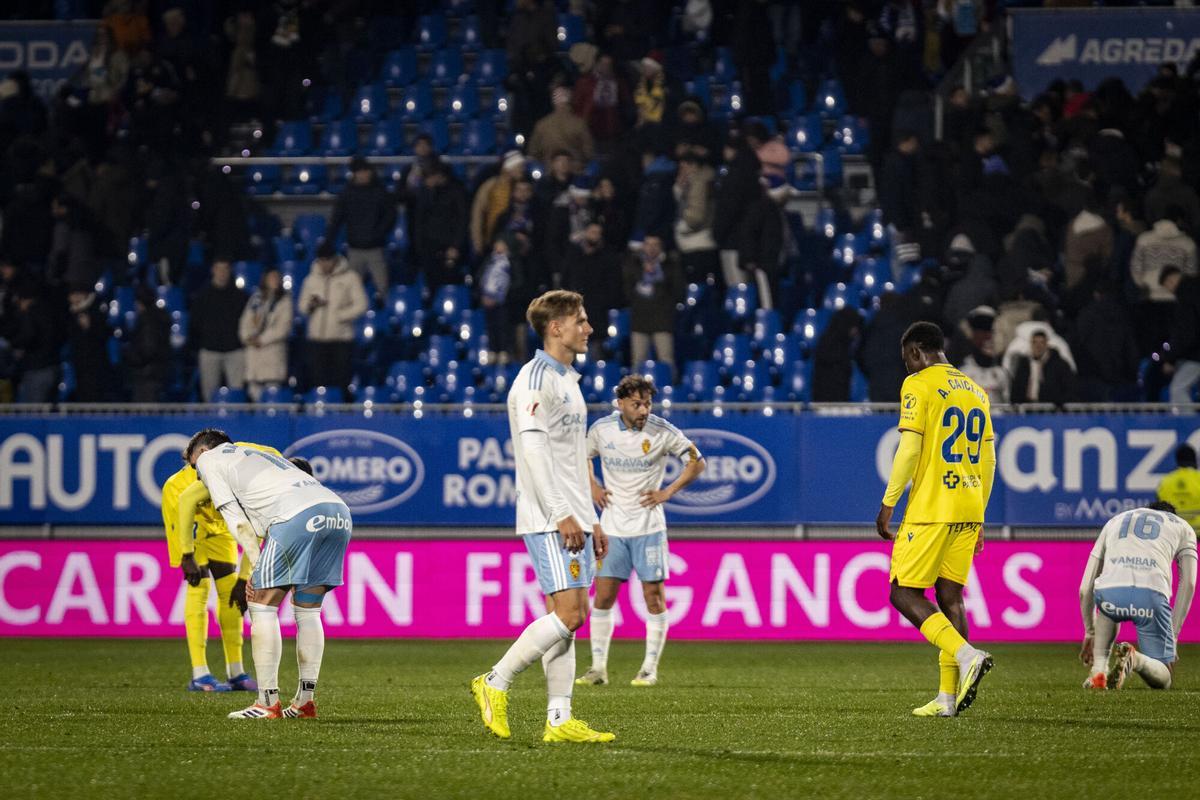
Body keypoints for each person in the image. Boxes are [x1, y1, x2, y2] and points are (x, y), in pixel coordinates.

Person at [470, 290, 614, 744]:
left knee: (569, 615)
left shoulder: (567, 378)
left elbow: (571, 460)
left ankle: (559, 719)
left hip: (571, 515)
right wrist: (561, 514)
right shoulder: (533, 381)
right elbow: (532, 451)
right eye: (582, 320)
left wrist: (590, 518)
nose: (588, 328)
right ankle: (494, 681)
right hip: (548, 516)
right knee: (570, 615)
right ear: (556, 327)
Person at [183, 429, 353, 720]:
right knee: (308, 612)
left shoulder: (210, 461)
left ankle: (266, 703)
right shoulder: (258, 456)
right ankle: (304, 703)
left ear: (201, 452)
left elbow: (237, 522)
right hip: (337, 512)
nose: (197, 475)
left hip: (296, 515)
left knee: (261, 606)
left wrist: (256, 566)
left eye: (192, 466)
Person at [876, 322, 996, 718]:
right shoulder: (976, 390)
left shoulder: (919, 384)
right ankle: (947, 697)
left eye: (906, 359)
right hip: (967, 507)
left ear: (914, 352)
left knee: (903, 593)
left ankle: (967, 655)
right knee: (950, 597)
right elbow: (989, 461)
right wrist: (979, 517)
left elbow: (909, 448)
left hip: (931, 508)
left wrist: (889, 502)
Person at [576, 375, 705, 687]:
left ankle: (649, 669)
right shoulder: (602, 430)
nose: (644, 409)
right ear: (620, 404)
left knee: (653, 597)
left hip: (649, 526)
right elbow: (581, 457)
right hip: (612, 527)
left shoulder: (661, 431)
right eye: (637, 404)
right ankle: (598, 669)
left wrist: (668, 491)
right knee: (604, 597)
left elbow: (696, 462)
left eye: (647, 403)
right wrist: (592, 486)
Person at [162, 444, 267, 693]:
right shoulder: (177, 485)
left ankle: (236, 671)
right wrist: (185, 556)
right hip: (193, 531)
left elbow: (257, 526)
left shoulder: (239, 473)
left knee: (231, 592)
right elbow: (177, 524)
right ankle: (200, 674)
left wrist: (244, 578)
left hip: (222, 531)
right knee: (199, 587)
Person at [1078, 502, 1196, 690]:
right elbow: (1188, 583)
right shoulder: (1182, 527)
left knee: (1107, 606)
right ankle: (1136, 659)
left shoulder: (1115, 520)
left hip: (1109, 595)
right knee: (1164, 680)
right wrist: (1173, 636)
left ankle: (1098, 671)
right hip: (1150, 597)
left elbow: (1085, 588)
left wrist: (1090, 632)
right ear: (1171, 515)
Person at [298, 240, 368, 396]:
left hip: (341, 339)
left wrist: (341, 315)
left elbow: (362, 304)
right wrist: (312, 305)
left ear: (335, 259)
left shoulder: (350, 278)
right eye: (321, 260)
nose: (324, 264)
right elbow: (302, 307)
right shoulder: (310, 280)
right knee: (317, 381)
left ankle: (341, 415)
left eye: (327, 260)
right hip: (317, 339)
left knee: (341, 382)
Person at [329, 156, 396, 303]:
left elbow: (391, 216)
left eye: (366, 171)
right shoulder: (347, 194)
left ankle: (385, 317)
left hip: (375, 248)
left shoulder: (380, 192)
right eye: (360, 172)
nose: (364, 174)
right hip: (355, 248)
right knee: (351, 290)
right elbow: (336, 219)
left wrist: (379, 234)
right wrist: (329, 241)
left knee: (383, 287)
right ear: (354, 174)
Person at [190, 259, 248, 403]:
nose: (222, 272)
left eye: (226, 268)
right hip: (210, 350)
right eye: (219, 268)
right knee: (209, 397)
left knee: (237, 395)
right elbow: (195, 325)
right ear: (213, 270)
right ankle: (211, 424)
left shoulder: (241, 297)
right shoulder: (202, 297)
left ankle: (237, 424)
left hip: (235, 351)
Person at [624, 235, 681, 372]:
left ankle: (668, 389)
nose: (651, 248)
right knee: (638, 360)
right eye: (648, 244)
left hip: (662, 320)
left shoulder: (670, 266)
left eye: (655, 244)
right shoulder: (634, 265)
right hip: (639, 320)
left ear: (660, 247)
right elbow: (627, 290)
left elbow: (678, 291)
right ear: (643, 246)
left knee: (666, 359)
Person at [238, 268, 292, 401]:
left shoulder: (284, 301)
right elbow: (245, 321)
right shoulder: (255, 299)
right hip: (254, 359)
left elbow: (282, 328)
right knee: (254, 395)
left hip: (272, 356)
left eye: (276, 278)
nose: (274, 281)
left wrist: (261, 340)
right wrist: (247, 337)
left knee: (272, 398)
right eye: (271, 277)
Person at [1010, 328, 1077, 406]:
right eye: (1034, 342)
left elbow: (1070, 389)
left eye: (1041, 342)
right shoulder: (1024, 365)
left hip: (1050, 411)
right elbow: (1016, 388)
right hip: (1027, 410)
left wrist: (1058, 404)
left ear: (1046, 344)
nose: (1038, 346)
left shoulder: (1059, 365)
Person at [1157, 445, 1200, 535]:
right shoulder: (1198, 478)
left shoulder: (1165, 481)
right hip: (1197, 536)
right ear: (1194, 460)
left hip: (1175, 535)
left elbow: (1159, 508)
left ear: (1177, 461)